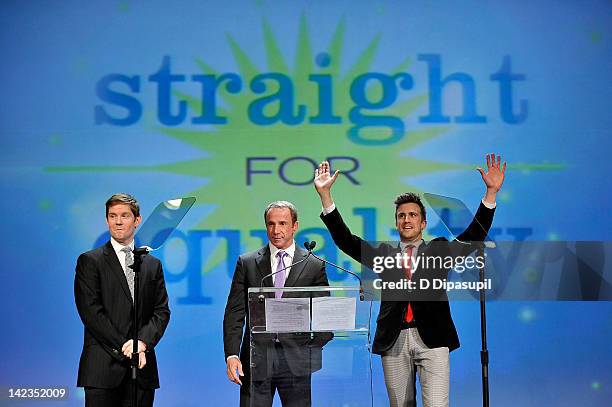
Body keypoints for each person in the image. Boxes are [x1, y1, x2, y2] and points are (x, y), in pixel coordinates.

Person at [313, 154, 506, 407]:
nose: (407, 219)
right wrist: (326, 197)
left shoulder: (439, 251)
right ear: (396, 222)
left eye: (413, 215)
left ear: (423, 223)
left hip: (433, 338)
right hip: (394, 339)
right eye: (402, 215)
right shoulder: (383, 254)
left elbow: (474, 235)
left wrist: (490, 193)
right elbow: (345, 240)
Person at [223, 201, 331, 407]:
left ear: (295, 226)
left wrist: (312, 346)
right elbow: (234, 312)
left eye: (283, 223)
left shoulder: (313, 264)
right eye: (271, 224)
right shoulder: (247, 263)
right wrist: (232, 355)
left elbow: (323, 313)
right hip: (256, 361)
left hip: (296, 361)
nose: (276, 230)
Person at [74, 193, 171, 407]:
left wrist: (142, 342)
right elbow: (91, 313)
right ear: (107, 219)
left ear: (137, 221)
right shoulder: (90, 261)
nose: (118, 221)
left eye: (125, 216)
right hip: (102, 371)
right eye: (112, 216)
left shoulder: (151, 264)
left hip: (142, 371)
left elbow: (161, 311)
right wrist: (127, 347)